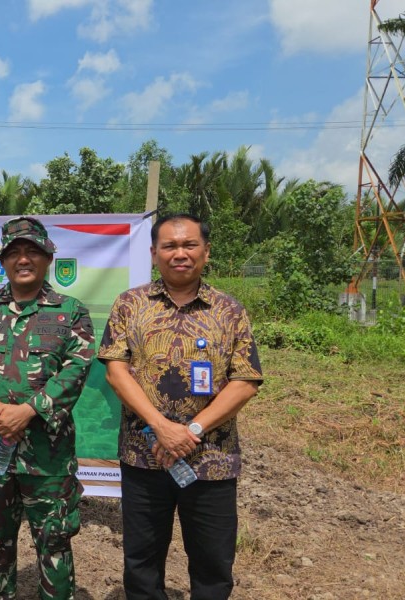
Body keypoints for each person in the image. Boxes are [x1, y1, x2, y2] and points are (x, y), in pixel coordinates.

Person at [97, 213, 263, 600]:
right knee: (141, 561)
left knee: (213, 563)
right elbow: (115, 371)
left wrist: (191, 431)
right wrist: (161, 426)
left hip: (211, 459)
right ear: (154, 253)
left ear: (206, 251)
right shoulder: (129, 305)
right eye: (169, 246)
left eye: (189, 245)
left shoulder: (229, 310)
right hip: (144, 457)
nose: (180, 254)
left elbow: (246, 380)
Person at [0, 216, 96, 600]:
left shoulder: (71, 312)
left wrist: (28, 411)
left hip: (48, 460)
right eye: (14, 252)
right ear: (3, 261)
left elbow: (76, 369)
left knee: (54, 546)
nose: (23, 259)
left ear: (49, 257)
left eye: (32, 250)